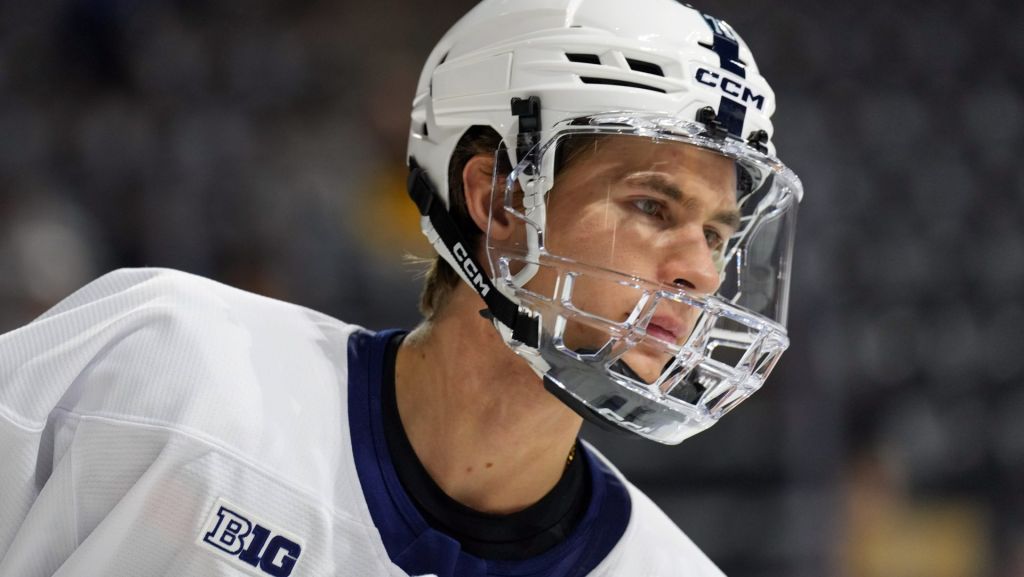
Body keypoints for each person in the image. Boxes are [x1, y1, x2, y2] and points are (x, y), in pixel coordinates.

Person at [0, 0, 803, 575]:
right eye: (651, 204)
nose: (698, 268)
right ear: (498, 200)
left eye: (717, 233)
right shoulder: (165, 365)